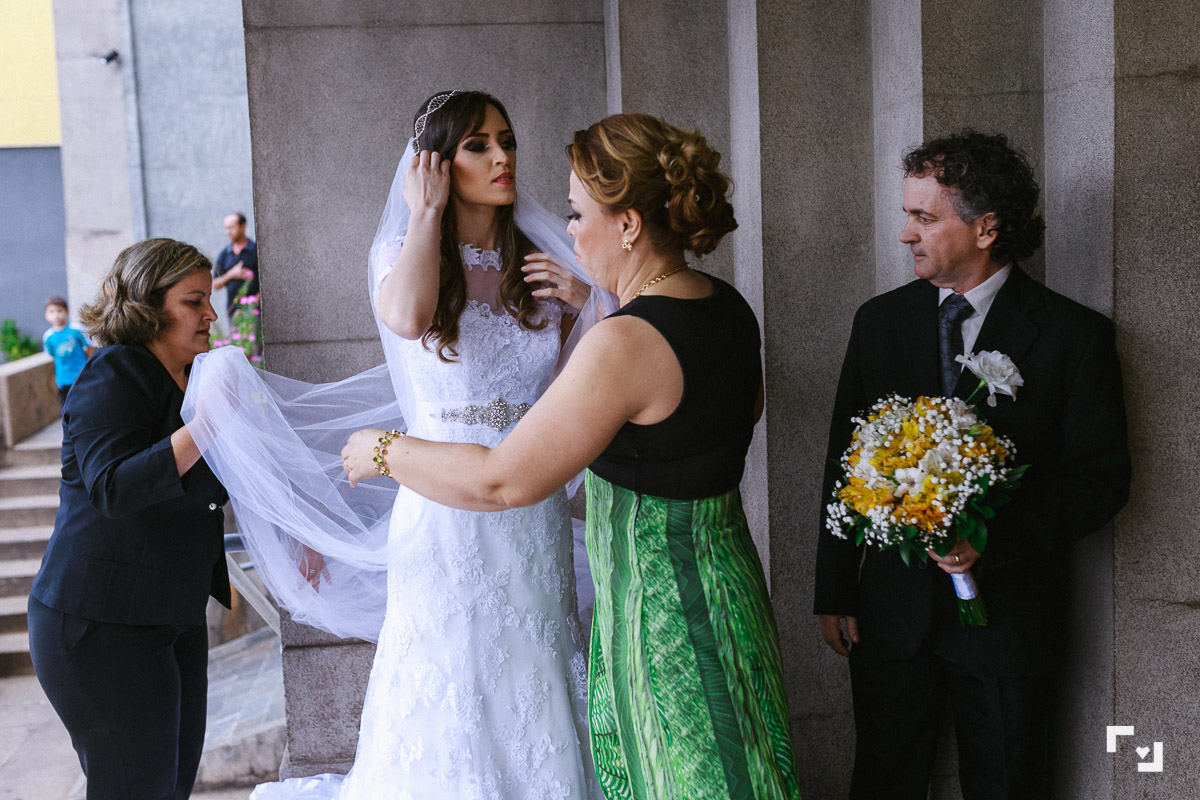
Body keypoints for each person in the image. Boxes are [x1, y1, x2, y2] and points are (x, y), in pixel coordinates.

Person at [341, 112, 803, 800]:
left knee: (691, 775)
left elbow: (502, 483)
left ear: (629, 225)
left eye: (579, 213)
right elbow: (748, 408)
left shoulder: (623, 342)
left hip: (664, 615)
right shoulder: (726, 306)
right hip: (731, 590)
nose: (570, 229)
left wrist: (384, 448)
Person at [198, 91, 604, 799]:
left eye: (506, 139)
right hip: (443, 504)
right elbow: (410, 318)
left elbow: (590, 385)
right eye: (478, 145)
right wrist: (425, 213)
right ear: (437, 163)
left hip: (529, 507)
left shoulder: (541, 261)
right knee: (451, 666)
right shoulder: (403, 249)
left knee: (533, 664)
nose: (503, 156)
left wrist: (586, 302)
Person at [813, 131, 1131, 799]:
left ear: (986, 228)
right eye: (908, 215)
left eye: (924, 217)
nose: (905, 234)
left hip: (1009, 622)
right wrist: (835, 588)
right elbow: (846, 458)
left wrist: (989, 540)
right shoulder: (879, 323)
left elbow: (1100, 478)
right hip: (891, 619)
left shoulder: (1074, 336)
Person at [27, 239, 230, 800]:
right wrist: (208, 425)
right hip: (97, 625)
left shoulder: (193, 380)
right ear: (148, 304)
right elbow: (112, 486)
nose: (211, 314)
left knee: (170, 787)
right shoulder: (112, 374)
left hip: (171, 613)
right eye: (195, 302)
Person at [41, 295, 91, 409]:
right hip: (63, 380)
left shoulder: (76, 329)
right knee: (67, 407)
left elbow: (89, 348)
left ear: (66, 312)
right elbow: (52, 356)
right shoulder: (48, 337)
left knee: (85, 405)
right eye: (52, 312)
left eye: (59, 311)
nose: (56, 315)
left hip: (81, 375)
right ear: (46, 315)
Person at [212, 211, 259, 317]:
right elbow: (215, 284)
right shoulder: (224, 254)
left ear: (243, 226)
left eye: (231, 227)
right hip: (233, 312)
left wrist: (258, 300)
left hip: (256, 311)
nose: (227, 232)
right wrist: (231, 275)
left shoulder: (256, 251)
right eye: (226, 228)